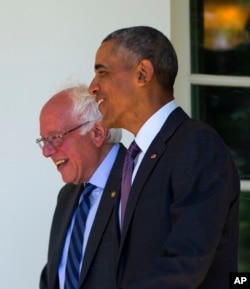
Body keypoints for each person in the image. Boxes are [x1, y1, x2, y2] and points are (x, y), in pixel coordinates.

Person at [88, 26, 241, 289]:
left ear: (142, 73)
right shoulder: (131, 160)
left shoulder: (196, 145)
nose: (93, 87)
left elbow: (184, 265)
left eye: (102, 71)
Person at [37, 85, 126, 289]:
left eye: (55, 137)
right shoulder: (68, 195)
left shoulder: (139, 184)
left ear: (97, 132)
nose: (47, 152)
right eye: (43, 140)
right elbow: (54, 274)